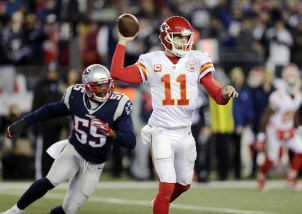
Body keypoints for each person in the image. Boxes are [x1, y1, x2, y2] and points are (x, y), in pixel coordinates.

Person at [110, 16, 238, 214]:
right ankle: (162, 203)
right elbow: (118, 73)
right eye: (178, 37)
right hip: (162, 131)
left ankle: (160, 203)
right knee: (167, 186)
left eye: (186, 38)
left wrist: (225, 93)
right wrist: (123, 42)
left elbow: (218, 97)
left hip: (185, 132)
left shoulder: (197, 59)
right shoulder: (152, 60)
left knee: (184, 183)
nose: (184, 42)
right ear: (166, 37)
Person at [1, 64, 136, 214]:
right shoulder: (75, 95)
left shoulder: (119, 104)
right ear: (87, 87)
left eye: (106, 85)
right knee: (52, 179)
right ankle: (14, 211)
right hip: (75, 150)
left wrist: (112, 133)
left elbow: (131, 141)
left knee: (69, 209)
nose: (104, 89)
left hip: (95, 163)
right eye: (99, 86)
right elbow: (49, 110)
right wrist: (23, 122)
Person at [255, 63, 302, 190]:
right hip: (275, 130)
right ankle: (261, 177)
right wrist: (261, 136)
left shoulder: (298, 95)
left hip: (289, 128)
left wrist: (299, 128)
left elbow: (294, 113)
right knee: (271, 158)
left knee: (300, 150)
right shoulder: (278, 96)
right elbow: (265, 116)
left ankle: (291, 178)